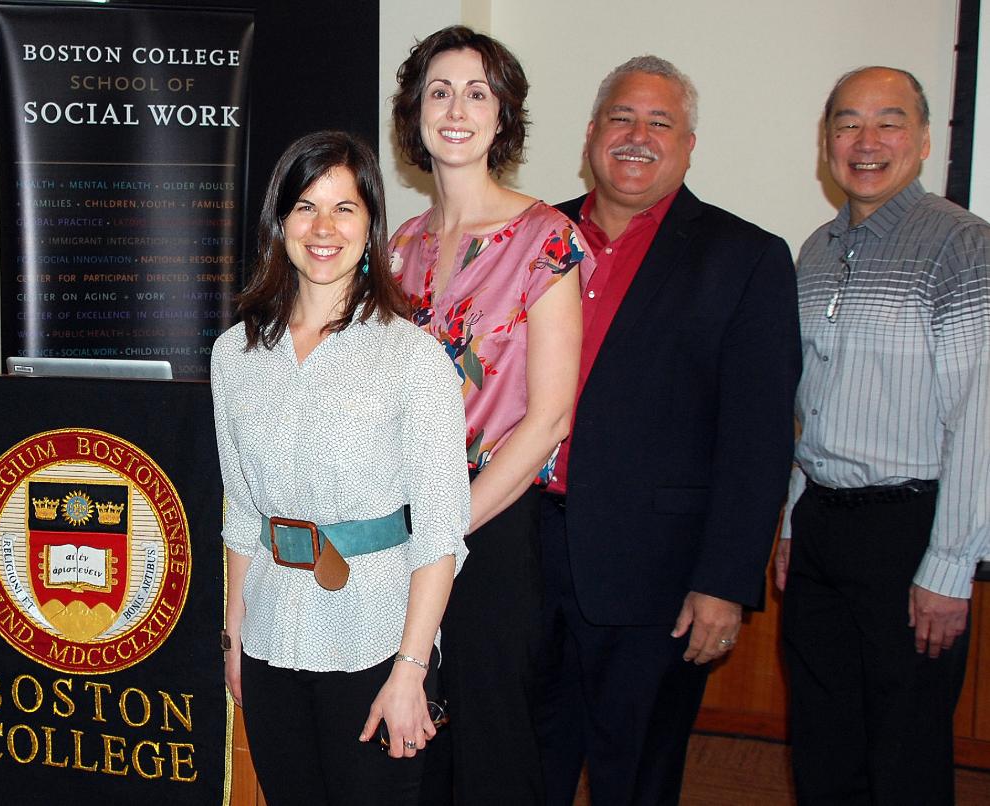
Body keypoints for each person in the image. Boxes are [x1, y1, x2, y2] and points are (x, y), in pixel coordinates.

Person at [535, 56, 801, 805]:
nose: (637, 136)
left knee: (636, 779)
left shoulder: (745, 259)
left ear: (689, 146)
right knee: (521, 766)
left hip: (656, 576)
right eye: (622, 117)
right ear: (591, 134)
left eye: (661, 123)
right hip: (524, 559)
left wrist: (724, 583)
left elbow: (757, 442)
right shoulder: (532, 237)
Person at [213, 130, 469, 805]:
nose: (323, 227)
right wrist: (235, 638)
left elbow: (441, 534)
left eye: (344, 208)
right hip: (269, 638)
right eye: (305, 206)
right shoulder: (232, 355)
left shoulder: (413, 359)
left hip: (378, 643)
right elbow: (242, 514)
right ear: (279, 223)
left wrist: (412, 671)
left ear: (371, 226)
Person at [778, 66, 988, 805]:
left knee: (903, 752)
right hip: (822, 526)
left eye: (889, 122)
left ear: (925, 140)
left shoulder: (962, 247)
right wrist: (792, 524)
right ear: (826, 142)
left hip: (910, 530)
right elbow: (813, 404)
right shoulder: (815, 250)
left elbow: (980, 420)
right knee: (822, 741)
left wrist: (949, 566)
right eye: (847, 124)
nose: (866, 142)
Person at [387, 26, 586, 804]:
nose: (457, 108)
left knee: (492, 744)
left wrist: (445, 525)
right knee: (413, 740)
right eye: (439, 91)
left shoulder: (548, 240)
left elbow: (550, 419)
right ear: (415, 114)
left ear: (503, 117)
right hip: (401, 517)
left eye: (478, 92)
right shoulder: (399, 246)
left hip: (491, 523)